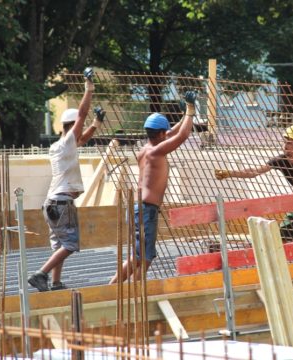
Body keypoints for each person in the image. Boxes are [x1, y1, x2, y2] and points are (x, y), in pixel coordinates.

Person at [28, 68, 105, 292]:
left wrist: (96, 125)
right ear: (71, 127)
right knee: (70, 244)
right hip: (62, 204)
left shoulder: (60, 146)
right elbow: (80, 116)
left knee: (60, 246)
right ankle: (41, 274)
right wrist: (88, 89)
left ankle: (55, 282)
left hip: (51, 203)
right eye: (77, 128)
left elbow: (82, 137)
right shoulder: (66, 143)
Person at [109, 91, 196, 284]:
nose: (167, 134)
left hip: (142, 208)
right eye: (165, 133)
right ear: (160, 134)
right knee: (141, 257)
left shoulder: (146, 148)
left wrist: (184, 116)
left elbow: (173, 133)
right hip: (146, 210)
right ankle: (114, 287)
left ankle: (134, 288)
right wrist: (190, 110)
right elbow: (182, 136)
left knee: (145, 256)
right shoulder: (157, 151)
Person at [215, 124, 293, 242]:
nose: (285, 146)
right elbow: (254, 172)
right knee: (281, 235)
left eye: (289, 142)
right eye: (285, 142)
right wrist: (229, 173)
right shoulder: (281, 161)